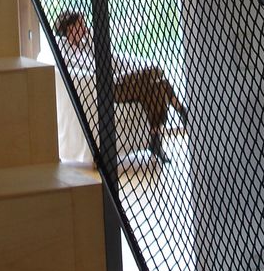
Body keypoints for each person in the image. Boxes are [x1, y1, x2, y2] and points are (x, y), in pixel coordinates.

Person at [53, 9, 187, 163]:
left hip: (116, 81)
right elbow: (92, 66)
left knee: (157, 87)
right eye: (81, 24)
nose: (85, 27)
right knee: (153, 74)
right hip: (105, 87)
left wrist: (90, 39)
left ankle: (156, 137)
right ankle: (181, 112)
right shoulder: (64, 48)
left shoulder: (84, 44)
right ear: (71, 28)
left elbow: (104, 56)